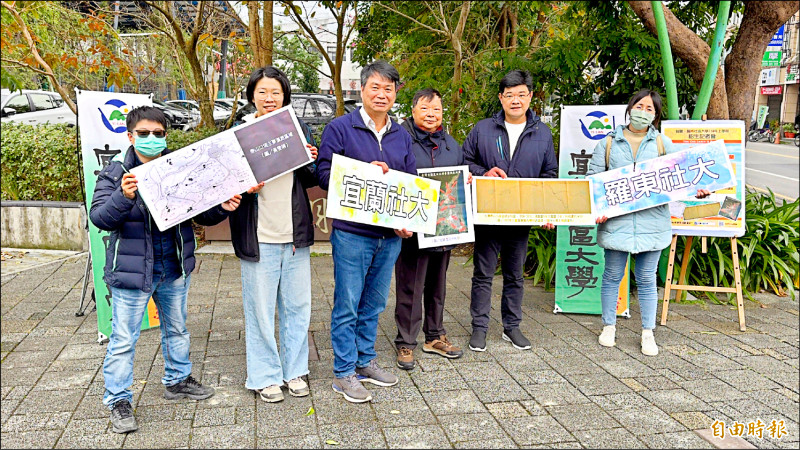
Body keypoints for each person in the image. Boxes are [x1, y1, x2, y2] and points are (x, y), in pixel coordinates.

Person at [90, 106, 241, 434]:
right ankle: (118, 399)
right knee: (123, 339)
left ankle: (178, 379)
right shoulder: (116, 173)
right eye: (143, 134)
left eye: (158, 134)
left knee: (177, 329)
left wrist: (221, 207)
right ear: (130, 137)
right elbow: (100, 217)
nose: (151, 139)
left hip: (172, 266)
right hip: (132, 273)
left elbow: (199, 211)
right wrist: (123, 196)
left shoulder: (178, 167)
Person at [317, 60, 415, 403]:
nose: (382, 94)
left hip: (389, 237)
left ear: (395, 94)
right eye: (375, 87)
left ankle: (364, 361)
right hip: (352, 233)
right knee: (347, 304)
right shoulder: (340, 128)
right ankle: (343, 373)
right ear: (362, 90)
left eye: (389, 89)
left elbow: (410, 183)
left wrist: (408, 223)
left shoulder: (400, 134)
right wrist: (363, 174)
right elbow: (323, 174)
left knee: (373, 303)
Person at [587, 89, 710, 356]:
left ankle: (647, 333)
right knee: (611, 276)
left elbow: (683, 177)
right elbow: (592, 181)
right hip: (616, 223)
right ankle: (609, 326)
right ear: (630, 108)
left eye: (650, 109)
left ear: (655, 116)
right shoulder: (608, 143)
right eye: (639, 106)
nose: (643, 112)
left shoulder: (663, 144)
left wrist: (697, 189)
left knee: (646, 278)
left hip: (653, 223)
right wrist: (600, 207)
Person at [227, 66, 319, 403]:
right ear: (252, 95)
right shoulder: (239, 133)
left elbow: (310, 180)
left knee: (298, 308)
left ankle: (294, 371)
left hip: (294, 234)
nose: (269, 98)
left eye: (276, 92)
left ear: (285, 96)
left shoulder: (297, 128)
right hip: (259, 234)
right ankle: (264, 376)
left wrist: (311, 159)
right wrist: (244, 186)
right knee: (260, 311)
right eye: (263, 92)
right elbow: (225, 182)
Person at [463, 69, 557, 352]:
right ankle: (479, 328)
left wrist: (545, 212)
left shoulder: (542, 133)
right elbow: (465, 162)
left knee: (515, 275)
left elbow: (549, 175)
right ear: (501, 98)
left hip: (520, 216)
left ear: (530, 97)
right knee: (483, 273)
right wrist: (484, 172)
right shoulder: (482, 129)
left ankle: (511, 327)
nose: (515, 100)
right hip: (488, 215)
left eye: (521, 94)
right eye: (509, 95)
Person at [394, 88, 468, 370]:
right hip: (412, 227)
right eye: (425, 109)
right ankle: (406, 342)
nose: (431, 115)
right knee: (411, 285)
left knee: (437, 284)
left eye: (436, 110)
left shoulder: (451, 144)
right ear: (412, 110)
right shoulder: (400, 139)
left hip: (445, 226)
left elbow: (461, 176)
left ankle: (434, 336)